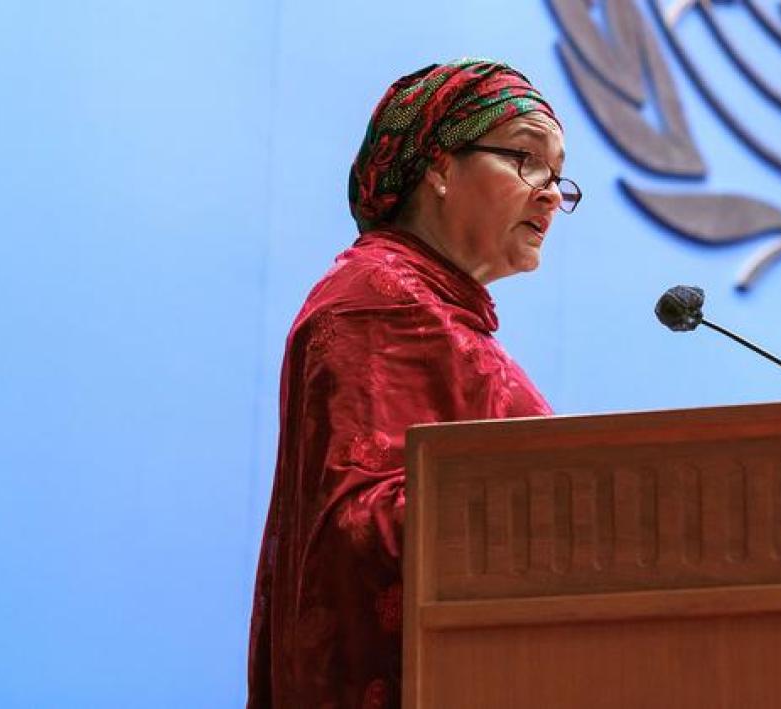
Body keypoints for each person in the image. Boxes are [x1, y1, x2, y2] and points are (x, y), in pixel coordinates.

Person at [247, 59, 581, 708]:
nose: (550, 194)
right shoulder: (373, 298)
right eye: (525, 159)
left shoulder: (436, 310)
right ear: (439, 166)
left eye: (559, 177)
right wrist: (559, 502)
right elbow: (354, 528)